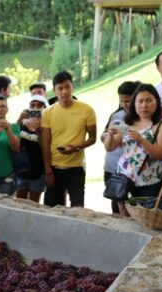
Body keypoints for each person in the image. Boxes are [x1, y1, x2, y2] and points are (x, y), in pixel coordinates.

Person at [103, 84, 162, 216]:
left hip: (149, 180)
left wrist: (142, 140)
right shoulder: (128, 123)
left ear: (156, 102)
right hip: (124, 179)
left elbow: (161, 154)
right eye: (140, 101)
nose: (144, 105)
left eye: (149, 100)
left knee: (145, 217)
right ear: (134, 103)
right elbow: (110, 147)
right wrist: (110, 135)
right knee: (122, 216)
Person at [41, 70, 97, 208]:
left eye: (67, 87)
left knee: (78, 208)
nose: (64, 91)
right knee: (52, 208)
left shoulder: (86, 110)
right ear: (54, 91)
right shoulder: (47, 113)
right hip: (55, 167)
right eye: (60, 88)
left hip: (76, 167)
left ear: (72, 87)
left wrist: (77, 147)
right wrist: (48, 171)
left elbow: (93, 138)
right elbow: (45, 143)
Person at [102, 81, 140, 214]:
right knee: (117, 207)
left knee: (136, 208)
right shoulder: (116, 115)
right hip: (113, 167)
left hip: (136, 170)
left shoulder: (145, 116)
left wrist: (121, 131)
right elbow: (105, 136)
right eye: (121, 101)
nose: (124, 105)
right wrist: (109, 135)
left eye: (127, 101)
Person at [15, 95, 49, 201]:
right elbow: (13, 138)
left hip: (37, 173)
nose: (35, 108)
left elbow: (45, 148)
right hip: (21, 171)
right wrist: (20, 118)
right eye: (32, 105)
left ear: (45, 108)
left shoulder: (47, 126)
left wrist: (39, 131)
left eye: (39, 105)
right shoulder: (23, 123)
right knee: (19, 203)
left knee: (34, 205)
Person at [0, 95, 20, 195]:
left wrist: (7, 129)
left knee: (5, 207)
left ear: (7, 109)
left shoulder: (13, 127)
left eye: (2, 106)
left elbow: (15, 147)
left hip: (6, 176)